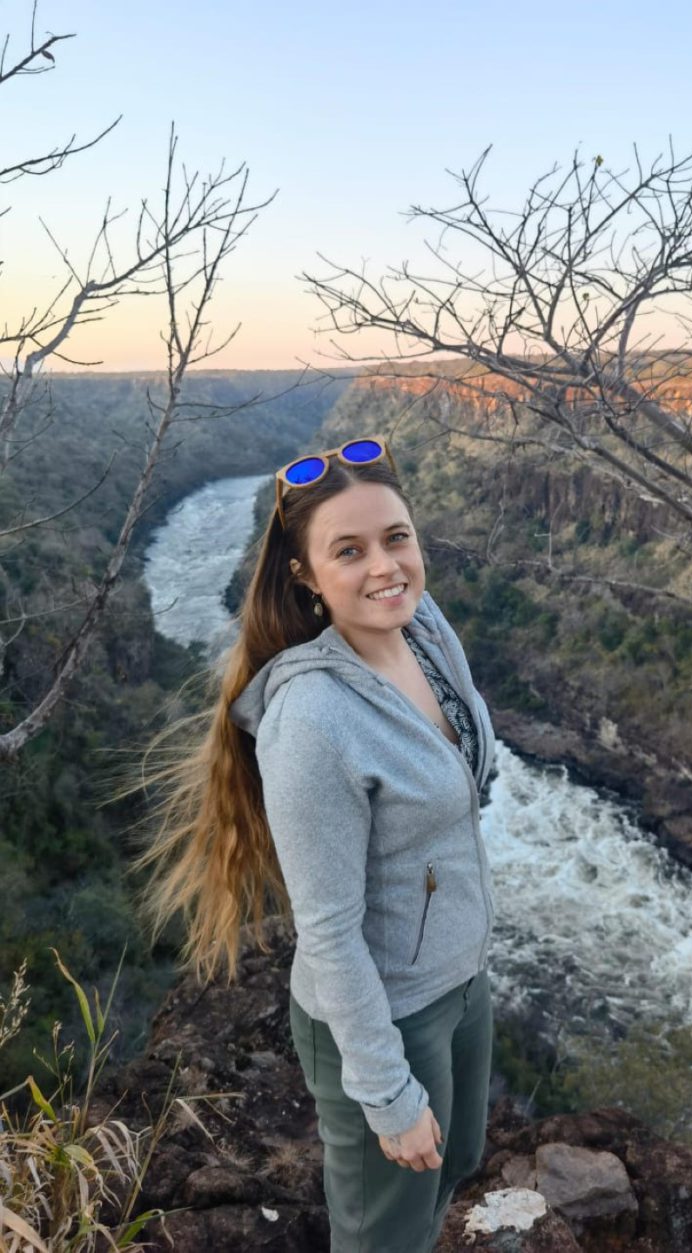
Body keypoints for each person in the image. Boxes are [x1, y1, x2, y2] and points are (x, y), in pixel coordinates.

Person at [135, 434, 497, 1253]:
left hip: (463, 979)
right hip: (385, 1014)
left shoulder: (426, 631)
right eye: (349, 550)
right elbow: (329, 934)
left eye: (396, 537)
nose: (385, 568)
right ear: (304, 574)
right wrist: (388, 1094)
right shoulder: (311, 724)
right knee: (384, 1232)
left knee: (456, 1163)